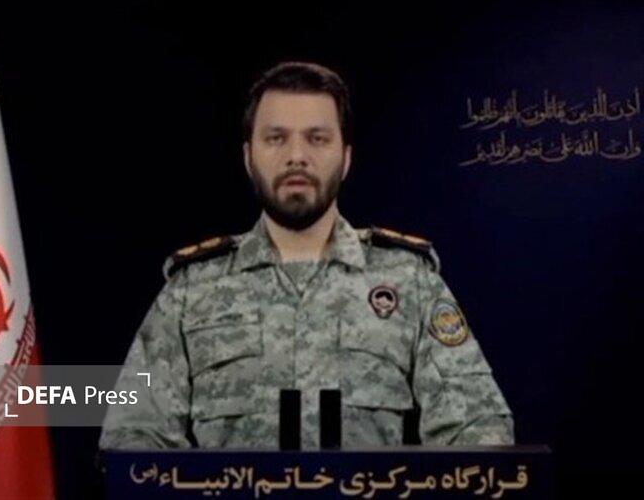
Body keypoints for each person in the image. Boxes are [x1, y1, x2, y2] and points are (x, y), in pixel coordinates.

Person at [99, 61, 514, 450]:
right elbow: (132, 434)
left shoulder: (410, 281)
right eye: (276, 138)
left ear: (346, 158)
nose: (296, 156)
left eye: (317, 138)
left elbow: (479, 429)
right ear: (248, 157)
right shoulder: (191, 290)